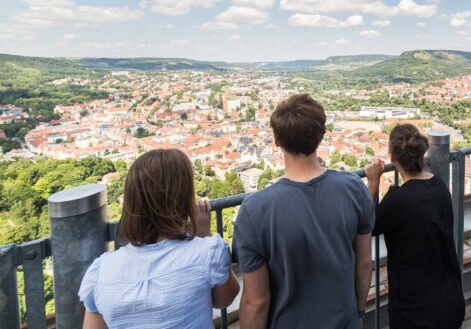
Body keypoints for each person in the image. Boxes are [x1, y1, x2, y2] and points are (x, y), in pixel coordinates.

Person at [233, 93, 374, 328]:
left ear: (277, 141)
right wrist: (359, 308)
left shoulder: (255, 210)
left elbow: (255, 303)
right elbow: (364, 262)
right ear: (321, 136)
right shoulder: (353, 188)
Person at [78, 149, 239, 329]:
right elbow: (225, 299)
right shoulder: (208, 253)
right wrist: (202, 235)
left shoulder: (102, 271)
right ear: (183, 198)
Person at [365, 124, 465, 329]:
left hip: (416, 313)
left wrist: (373, 181)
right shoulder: (439, 186)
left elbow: (369, 224)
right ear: (422, 152)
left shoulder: (399, 201)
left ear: (392, 157)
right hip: (450, 300)